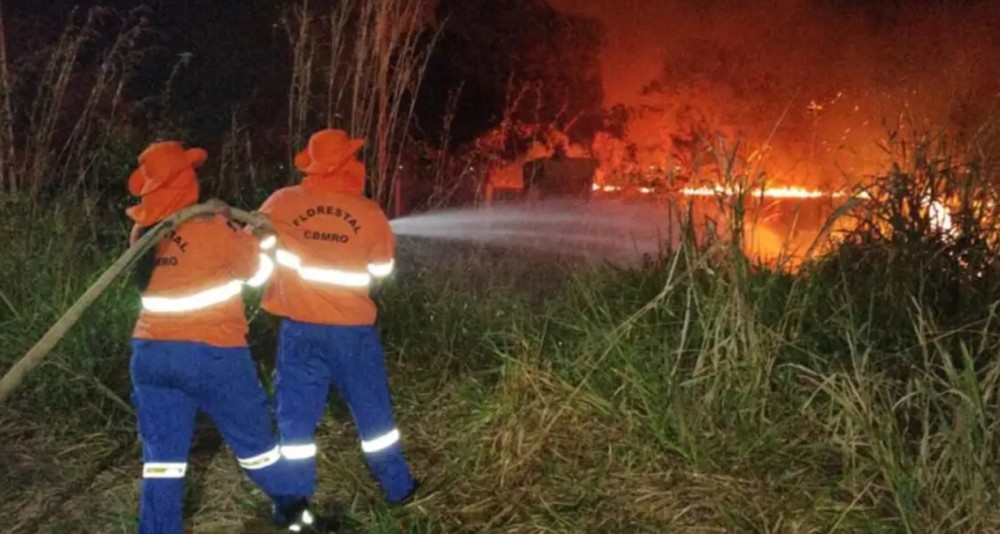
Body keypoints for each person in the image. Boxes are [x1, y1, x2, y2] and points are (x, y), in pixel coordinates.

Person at [125, 140, 330, 533]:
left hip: (150, 356)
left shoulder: (142, 233)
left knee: (162, 460)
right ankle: (296, 514)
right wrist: (250, 235)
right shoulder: (213, 229)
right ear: (187, 180)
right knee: (257, 448)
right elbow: (255, 275)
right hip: (212, 356)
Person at [255, 129, 418, 506]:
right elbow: (380, 272)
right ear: (349, 165)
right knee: (373, 412)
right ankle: (399, 488)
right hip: (352, 335)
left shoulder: (281, 202)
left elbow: (254, 249)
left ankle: (292, 503)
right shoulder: (369, 213)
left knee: (295, 420)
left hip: (298, 331)